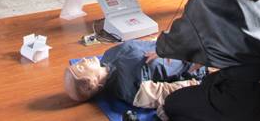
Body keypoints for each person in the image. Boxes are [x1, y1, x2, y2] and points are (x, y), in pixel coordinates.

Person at [64, 40, 205, 110]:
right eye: (81, 67)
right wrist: (198, 85)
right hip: (198, 63)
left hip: (185, 41)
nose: (83, 60)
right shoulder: (131, 90)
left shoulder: (108, 55)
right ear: (92, 84)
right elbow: (169, 93)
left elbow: (145, 44)